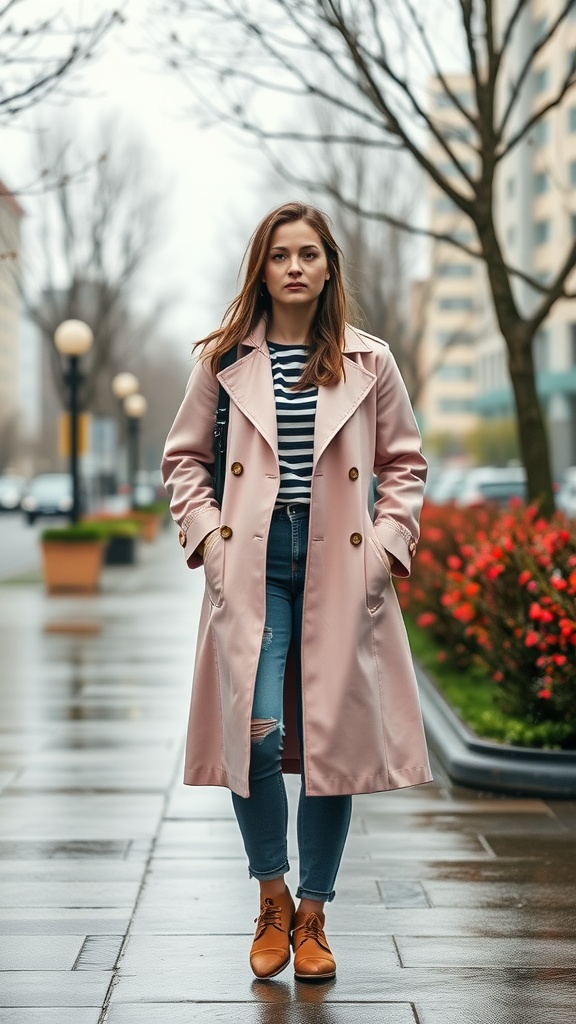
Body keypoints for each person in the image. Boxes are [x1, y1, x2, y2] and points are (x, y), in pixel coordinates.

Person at [161, 201, 432, 982]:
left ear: (328, 266)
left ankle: (314, 916)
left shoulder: (370, 360)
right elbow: (184, 460)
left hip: (340, 561)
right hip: (252, 558)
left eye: (309, 253)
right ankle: (271, 896)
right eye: (281, 254)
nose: (295, 267)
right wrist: (209, 537)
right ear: (262, 267)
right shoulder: (220, 359)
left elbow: (404, 465)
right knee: (252, 725)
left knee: (331, 742)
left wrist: (386, 547)